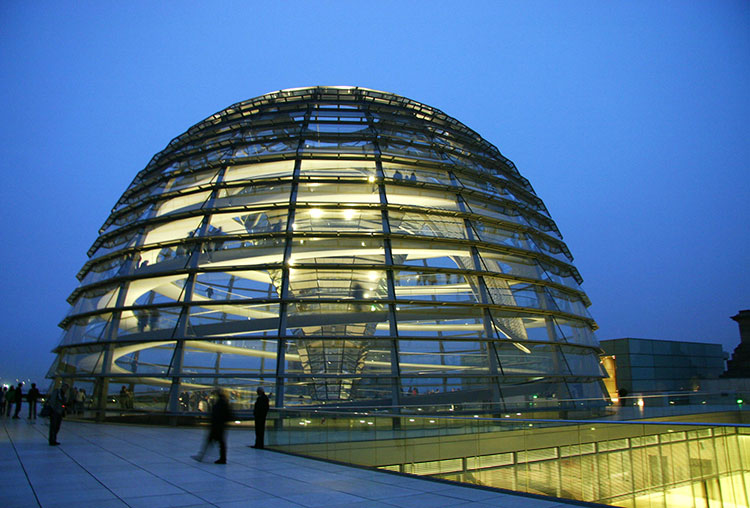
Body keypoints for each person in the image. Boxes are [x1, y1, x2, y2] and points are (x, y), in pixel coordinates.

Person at [195, 389, 232, 464]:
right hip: (220, 426)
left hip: (216, 426)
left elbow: (216, 414)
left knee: (210, 441)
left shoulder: (219, 404)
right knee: (220, 443)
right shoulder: (224, 403)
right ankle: (222, 458)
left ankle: (202, 456)